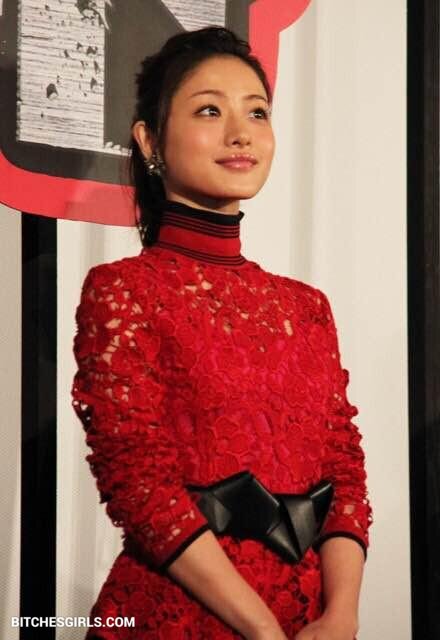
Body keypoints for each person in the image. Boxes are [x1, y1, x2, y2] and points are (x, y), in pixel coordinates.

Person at [71, 26, 373, 640]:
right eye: (209, 110)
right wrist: (261, 630)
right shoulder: (123, 291)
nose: (241, 133)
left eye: (257, 112)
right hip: (176, 616)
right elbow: (140, 486)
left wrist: (342, 616)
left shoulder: (306, 307)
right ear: (150, 140)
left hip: (308, 619)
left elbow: (344, 473)